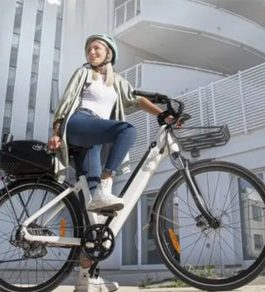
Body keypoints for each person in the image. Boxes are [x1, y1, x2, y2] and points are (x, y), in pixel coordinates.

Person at [48, 34, 171, 292]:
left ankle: (87, 279)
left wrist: (163, 115)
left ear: (109, 54)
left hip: (92, 141)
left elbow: (137, 100)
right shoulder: (83, 74)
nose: (92, 52)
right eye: (89, 49)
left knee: (96, 214)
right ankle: (107, 183)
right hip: (79, 123)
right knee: (127, 131)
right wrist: (57, 133)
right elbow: (64, 104)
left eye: (97, 48)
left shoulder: (117, 82)